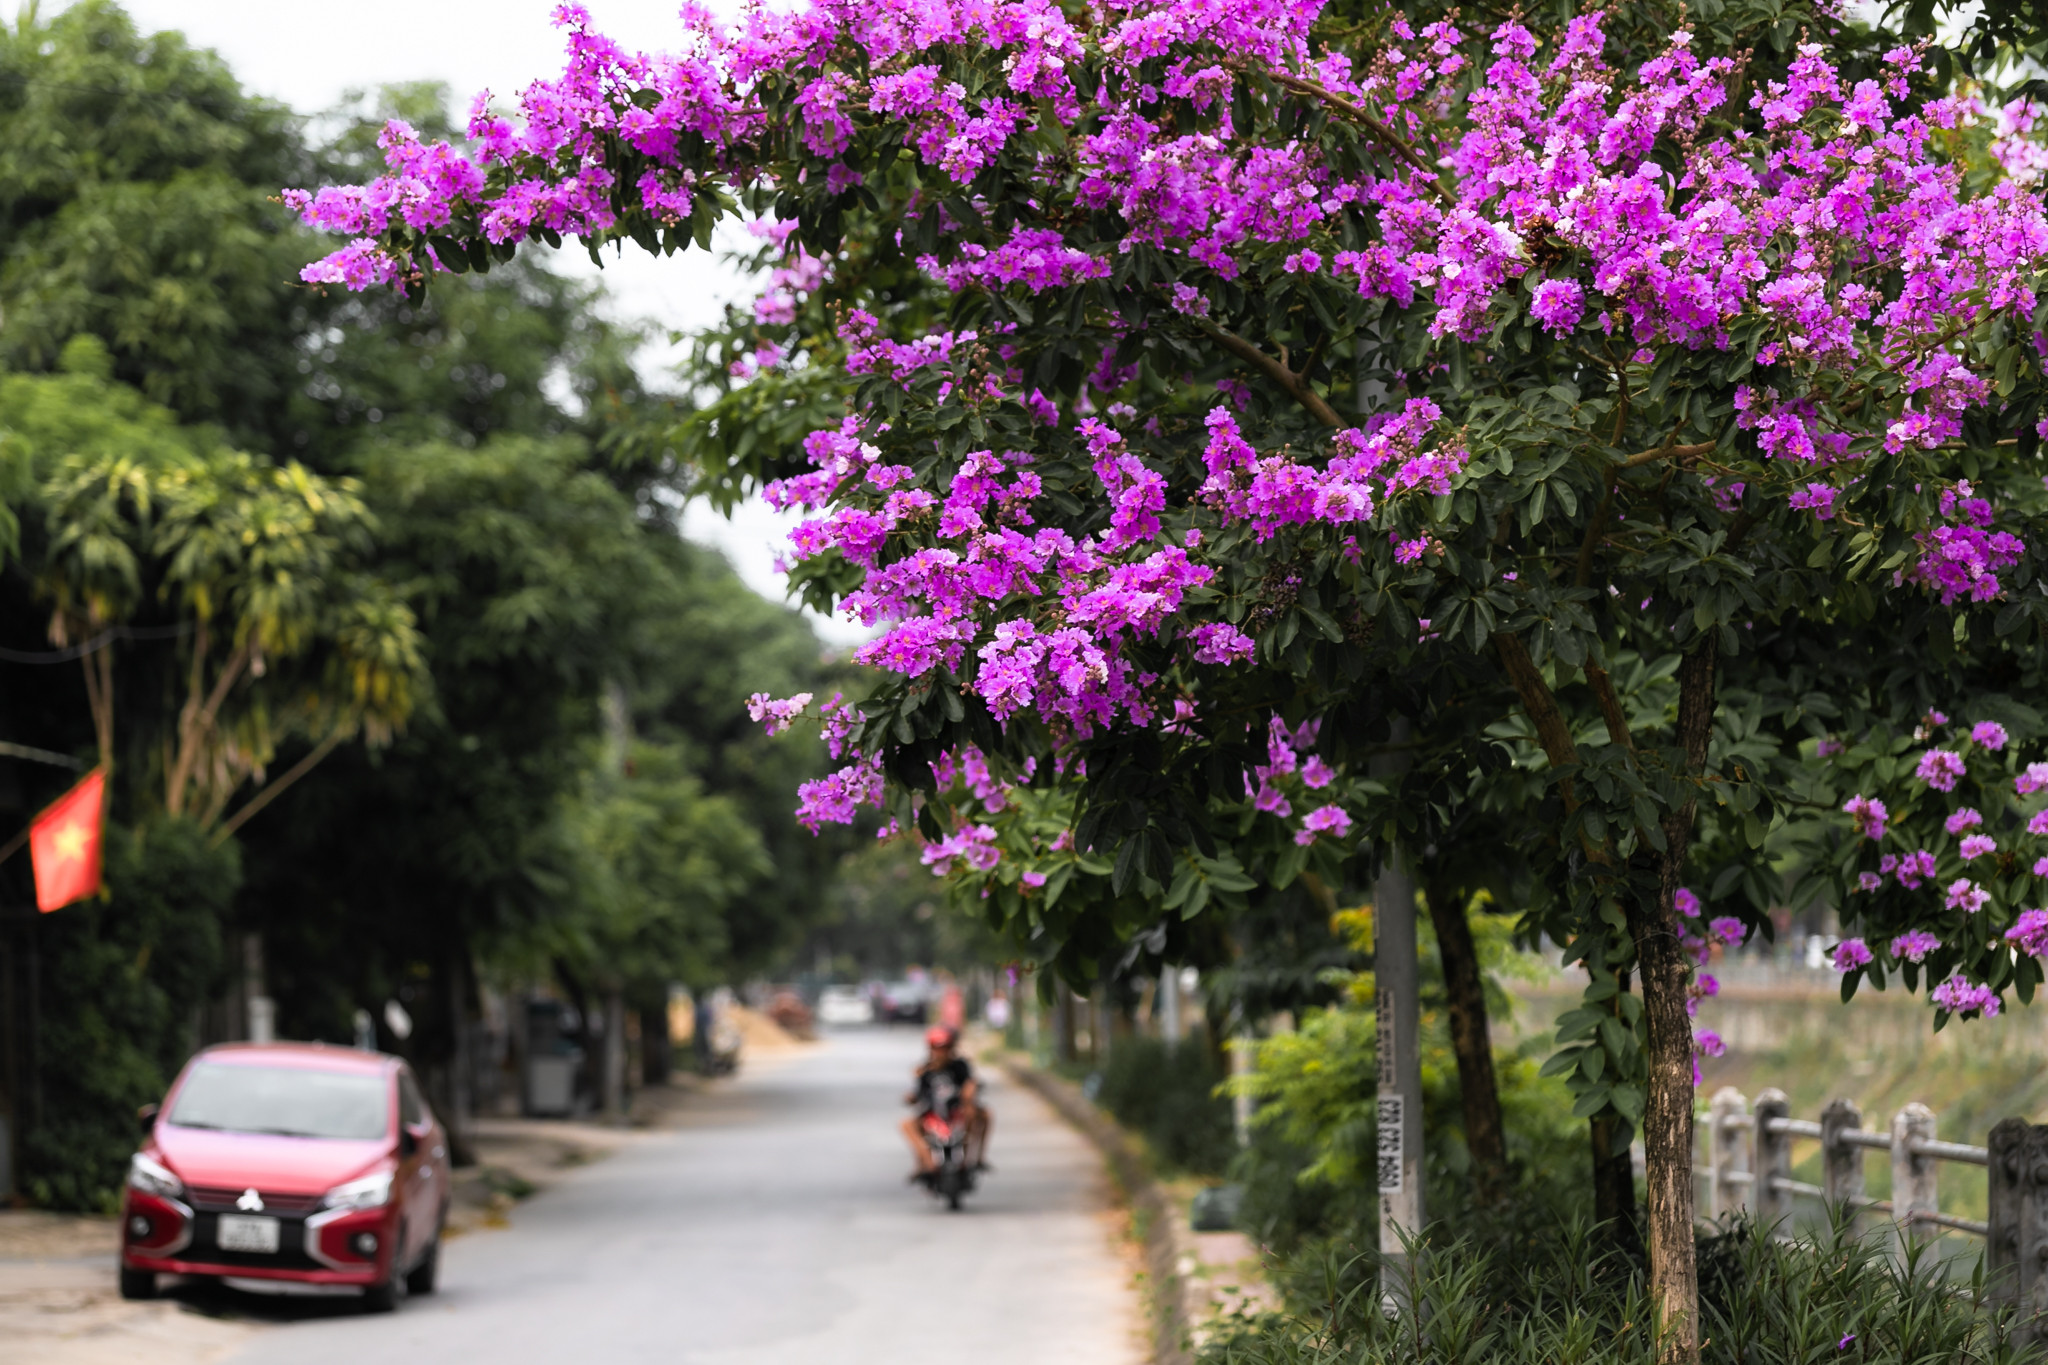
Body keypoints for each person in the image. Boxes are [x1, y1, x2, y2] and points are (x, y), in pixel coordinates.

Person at [900, 1025, 992, 1177]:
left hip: (958, 1113)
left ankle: (975, 1157)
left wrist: (970, 1089)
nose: (941, 1052)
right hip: (933, 1115)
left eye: (945, 1048)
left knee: (983, 1113)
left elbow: (971, 1083)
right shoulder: (925, 1070)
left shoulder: (960, 1066)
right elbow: (917, 1094)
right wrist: (910, 1097)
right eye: (937, 1048)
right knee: (907, 1124)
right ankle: (926, 1163)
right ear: (931, 1049)